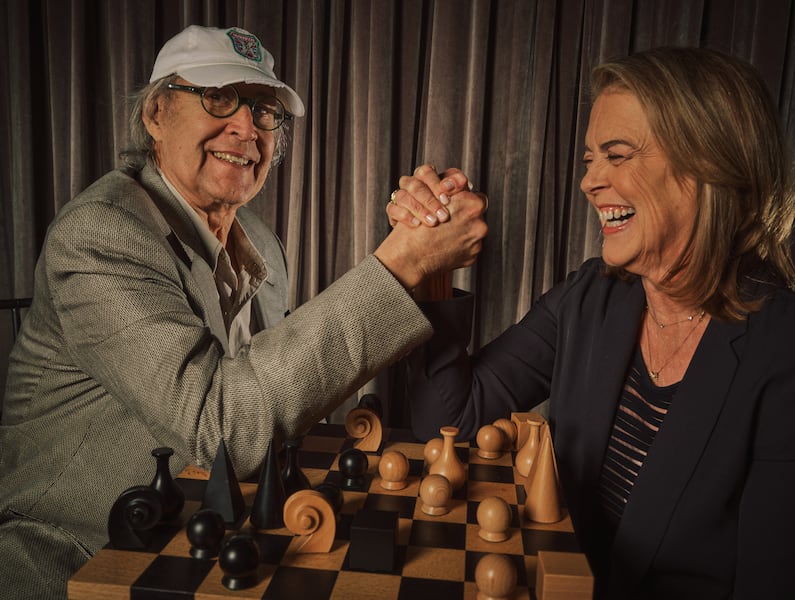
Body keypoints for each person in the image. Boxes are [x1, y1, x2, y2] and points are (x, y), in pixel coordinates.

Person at [0, 25, 487, 598]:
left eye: (262, 109)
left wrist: (421, 234)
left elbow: (262, 402)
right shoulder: (101, 234)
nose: (245, 128)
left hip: (207, 536)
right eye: (218, 97)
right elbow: (222, 425)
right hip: (79, 549)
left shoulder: (258, 238)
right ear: (156, 114)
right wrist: (399, 264)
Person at [390, 46, 795, 599]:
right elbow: (451, 420)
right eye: (589, 159)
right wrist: (429, 268)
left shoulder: (786, 349)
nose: (589, 182)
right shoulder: (591, 296)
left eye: (617, 155)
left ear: (710, 165)